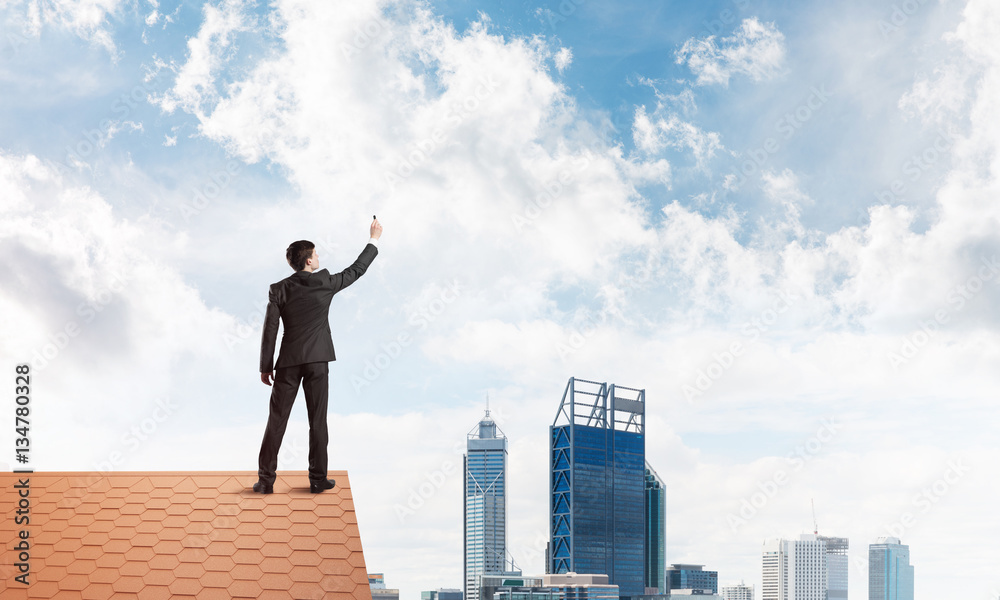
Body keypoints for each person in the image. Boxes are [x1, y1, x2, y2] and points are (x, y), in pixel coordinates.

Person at [254, 218, 383, 494]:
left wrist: (265, 366)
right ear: (309, 262)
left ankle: (265, 482)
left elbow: (270, 330)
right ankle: (317, 479)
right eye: (316, 254)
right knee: (317, 421)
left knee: (276, 421)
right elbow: (356, 270)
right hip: (317, 361)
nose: (319, 258)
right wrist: (373, 239)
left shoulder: (279, 289)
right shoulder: (324, 282)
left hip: (287, 363)